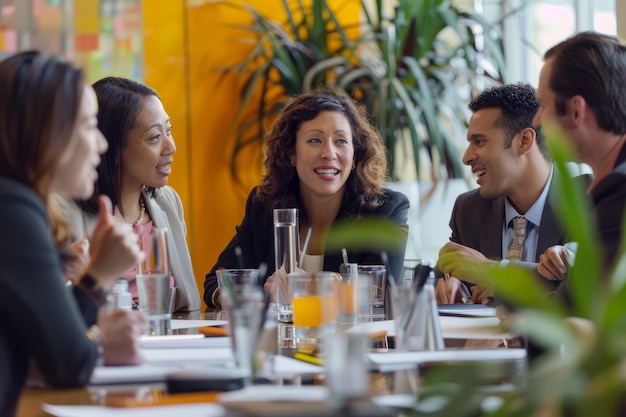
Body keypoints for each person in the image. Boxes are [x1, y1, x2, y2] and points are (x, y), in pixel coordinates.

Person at [0, 51, 146, 416]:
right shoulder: (12, 210)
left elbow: (50, 346)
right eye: (88, 125)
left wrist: (93, 280)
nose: (101, 144)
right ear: (45, 133)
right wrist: (98, 276)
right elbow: (69, 365)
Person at [204, 89, 410, 308]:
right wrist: (237, 298)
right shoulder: (265, 205)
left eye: (340, 141)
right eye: (314, 140)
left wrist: (311, 286)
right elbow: (216, 281)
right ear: (291, 153)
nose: (329, 153)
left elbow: (380, 292)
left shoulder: (386, 210)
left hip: (353, 340)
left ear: (355, 155)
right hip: (278, 340)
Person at [63, 77, 201, 312]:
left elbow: (188, 305)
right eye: (155, 137)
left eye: (168, 131)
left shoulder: (168, 202)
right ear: (111, 147)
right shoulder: (61, 211)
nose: (171, 147)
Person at [436, 83, 571, 304]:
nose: (466, 157)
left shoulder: (589, 202)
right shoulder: (468, 209)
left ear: (524, 141)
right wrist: (451, 287)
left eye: (479, 141)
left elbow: (585, 289)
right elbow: (440, 276)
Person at [534, 31, 626, 280]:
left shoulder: (619, 189)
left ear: (576, 111)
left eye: (543, 106)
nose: (536, 120)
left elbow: (580, 304)